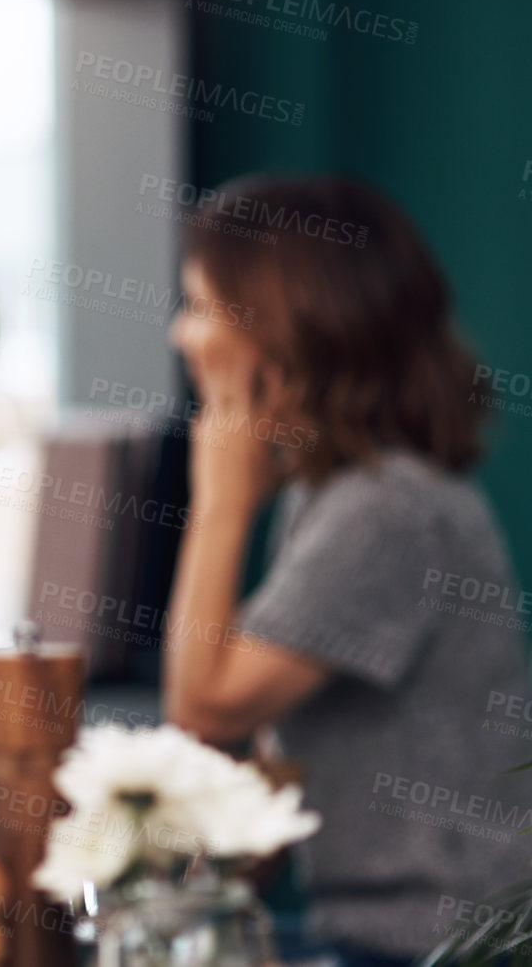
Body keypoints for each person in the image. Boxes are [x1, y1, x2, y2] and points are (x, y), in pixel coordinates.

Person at [160, 175, 529, 967]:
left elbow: (205, 705)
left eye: (199, 307)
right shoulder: (335, 496)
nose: (181, 336)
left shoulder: (389, 509)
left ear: (283, 330)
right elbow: (270, 759)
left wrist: (219, 500)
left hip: (434, 946)